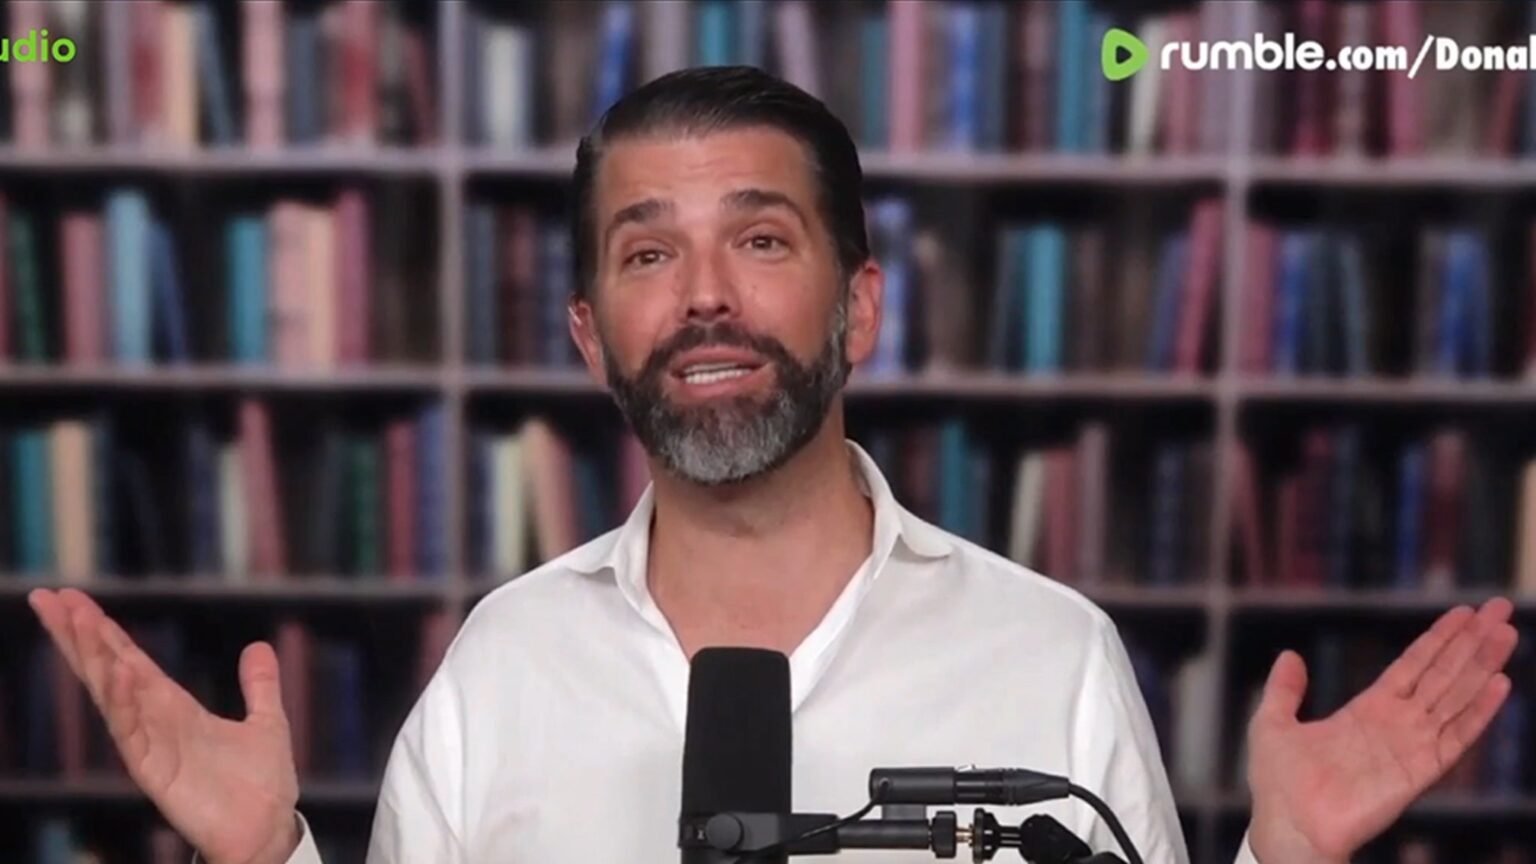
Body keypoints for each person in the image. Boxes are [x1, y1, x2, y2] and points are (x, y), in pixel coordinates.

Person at [28, 66, 1519, 864]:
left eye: (758, 238)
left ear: (860, 306)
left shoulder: (1051, 655)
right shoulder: (502, 667)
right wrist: (262, 860)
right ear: (589, 336)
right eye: (646, 255)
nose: (703, 299)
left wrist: (1288, 860)